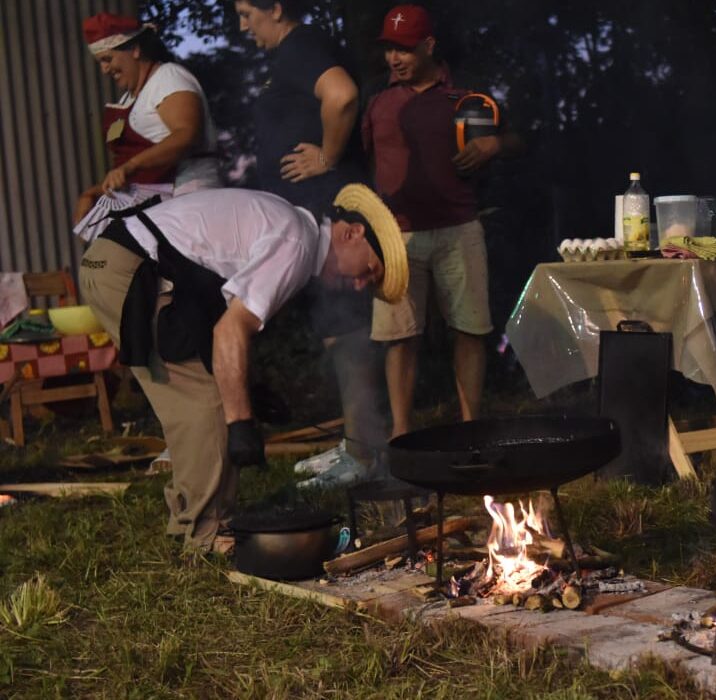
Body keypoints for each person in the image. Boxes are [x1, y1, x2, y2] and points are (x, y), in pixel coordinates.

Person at [78, 185, 407, 553]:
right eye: (370, 271)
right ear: (353, 233)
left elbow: (224, 321)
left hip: (115, 261)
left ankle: (192, 518)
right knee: (210, 402)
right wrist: (241, 424)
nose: (361, 284)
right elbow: (230, 330)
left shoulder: (293, 228)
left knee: (196, 395)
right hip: (128, 267)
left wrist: (247, 388)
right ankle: (206, 532)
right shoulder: (296, 244)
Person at [235, 0, 384, 486]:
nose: (242, 25)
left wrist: (328, 155)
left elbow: (341, 95)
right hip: (311, 216)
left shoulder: (300, 44)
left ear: (275, 8)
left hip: (330, 215)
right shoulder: (290, 54)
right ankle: (356, 445)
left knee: (347, 335)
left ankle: (364, 456)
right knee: (335, 332)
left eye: (246, 12)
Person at [364, 5, 519, 436]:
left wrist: (494, 146)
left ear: (428, 46)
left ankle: (471, 426)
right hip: (397, 235)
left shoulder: (465, 97)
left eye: (404, 50)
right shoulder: (377, 101)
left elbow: (517, 139)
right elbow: (358, 164)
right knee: (400, 336)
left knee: (470, 330)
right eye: (389, 49)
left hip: (459, 228)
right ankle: (400, 433)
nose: (394, 58)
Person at [74, 12, 221, 241]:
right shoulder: (130, 99)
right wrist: (92, 193)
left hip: (187, 199)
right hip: (155, 205)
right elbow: (135, 171)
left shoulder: (168, 78)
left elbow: (186, 134)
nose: (104, 69)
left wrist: (129, 167)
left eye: (108, 59)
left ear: (134, 50)